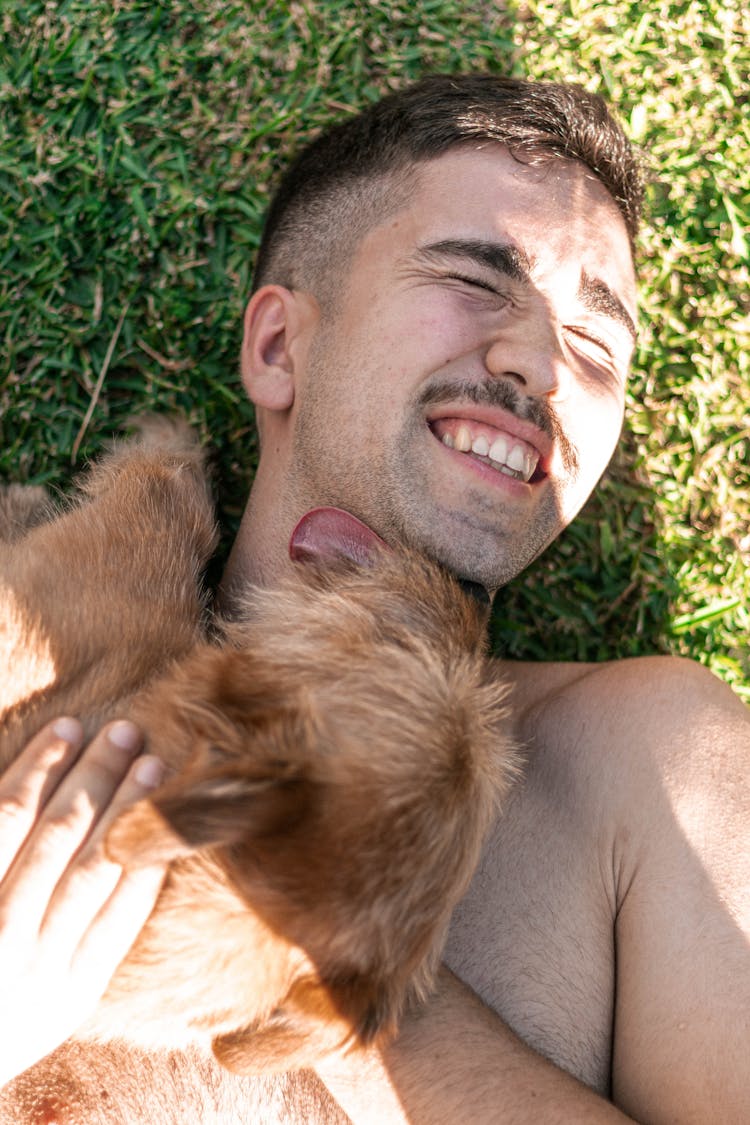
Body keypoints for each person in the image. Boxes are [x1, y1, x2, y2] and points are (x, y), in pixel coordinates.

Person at [1, 74, 748, 1123]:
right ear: (277, 347)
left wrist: (327, 944)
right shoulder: (24, 654)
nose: (540, 363)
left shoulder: (660, 762)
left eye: (598, 348)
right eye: (478, 281)